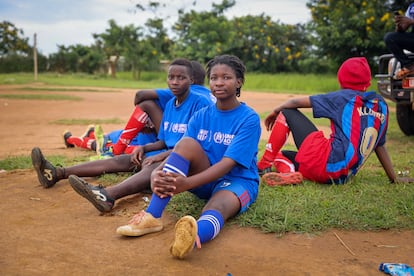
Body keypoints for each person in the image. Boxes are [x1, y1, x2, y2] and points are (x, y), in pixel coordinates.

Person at [115, 54, 261, 260]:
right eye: (214, 78)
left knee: (216, 207)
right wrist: (157, 173)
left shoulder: (249, 118)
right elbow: (180, 150)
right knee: (186, 143)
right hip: (204, 176)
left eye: (226, 78)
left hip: (237, 181)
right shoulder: (202, 115)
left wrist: (186, 183)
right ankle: (153, 216)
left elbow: (228, 164)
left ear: (238, 82)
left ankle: (192, 236)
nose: (219, 83)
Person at [32, 58, 212, 215]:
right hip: (166, 152)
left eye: (180, 78)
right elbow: (164, 140)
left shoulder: (200, 102)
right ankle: (56, 173)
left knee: (153, 165)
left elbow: (192, 144)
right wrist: (144, 148)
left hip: (185, 161)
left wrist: (160, 155)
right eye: (171, 77)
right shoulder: (172, 103)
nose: (174, 82)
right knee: (125, 160)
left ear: (192, 80)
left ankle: (108, 196)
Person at [257, 57, 414, 186]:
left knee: (287, 112)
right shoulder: (381, 106)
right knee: (283, 155)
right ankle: (290, 174)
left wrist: (276, 111)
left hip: (326, 162)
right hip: (342, 176)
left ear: (341, 80)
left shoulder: (343, 98)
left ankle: (262, 167)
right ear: (367, 83)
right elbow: (380, 146)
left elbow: (294, 103)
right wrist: (394, 178)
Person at [384, 3, 414, 79]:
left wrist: (412, 21)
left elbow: (410, 21)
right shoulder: (412, 7)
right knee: (390, 37)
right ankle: (409, 66)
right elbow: (404, 26)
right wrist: (400, 26)